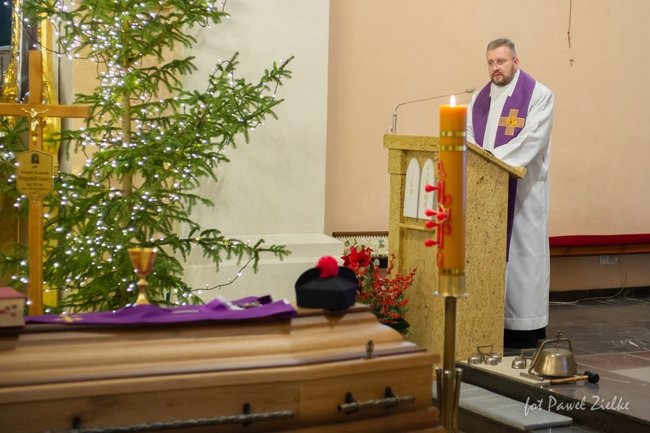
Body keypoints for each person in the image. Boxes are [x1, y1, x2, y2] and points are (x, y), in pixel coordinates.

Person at [466, 38, 555, 349]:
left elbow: (532, 140)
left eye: (501, 61)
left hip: (523, 195)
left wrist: (492, 160)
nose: (496, 68)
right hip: (486, 194)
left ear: (516, 62)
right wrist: (482, 164)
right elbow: (468, 138)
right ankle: (491, 320)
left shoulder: (539, 95)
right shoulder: (479, 99)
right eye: (491, 62)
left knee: (522, 257)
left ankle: (524, 327)